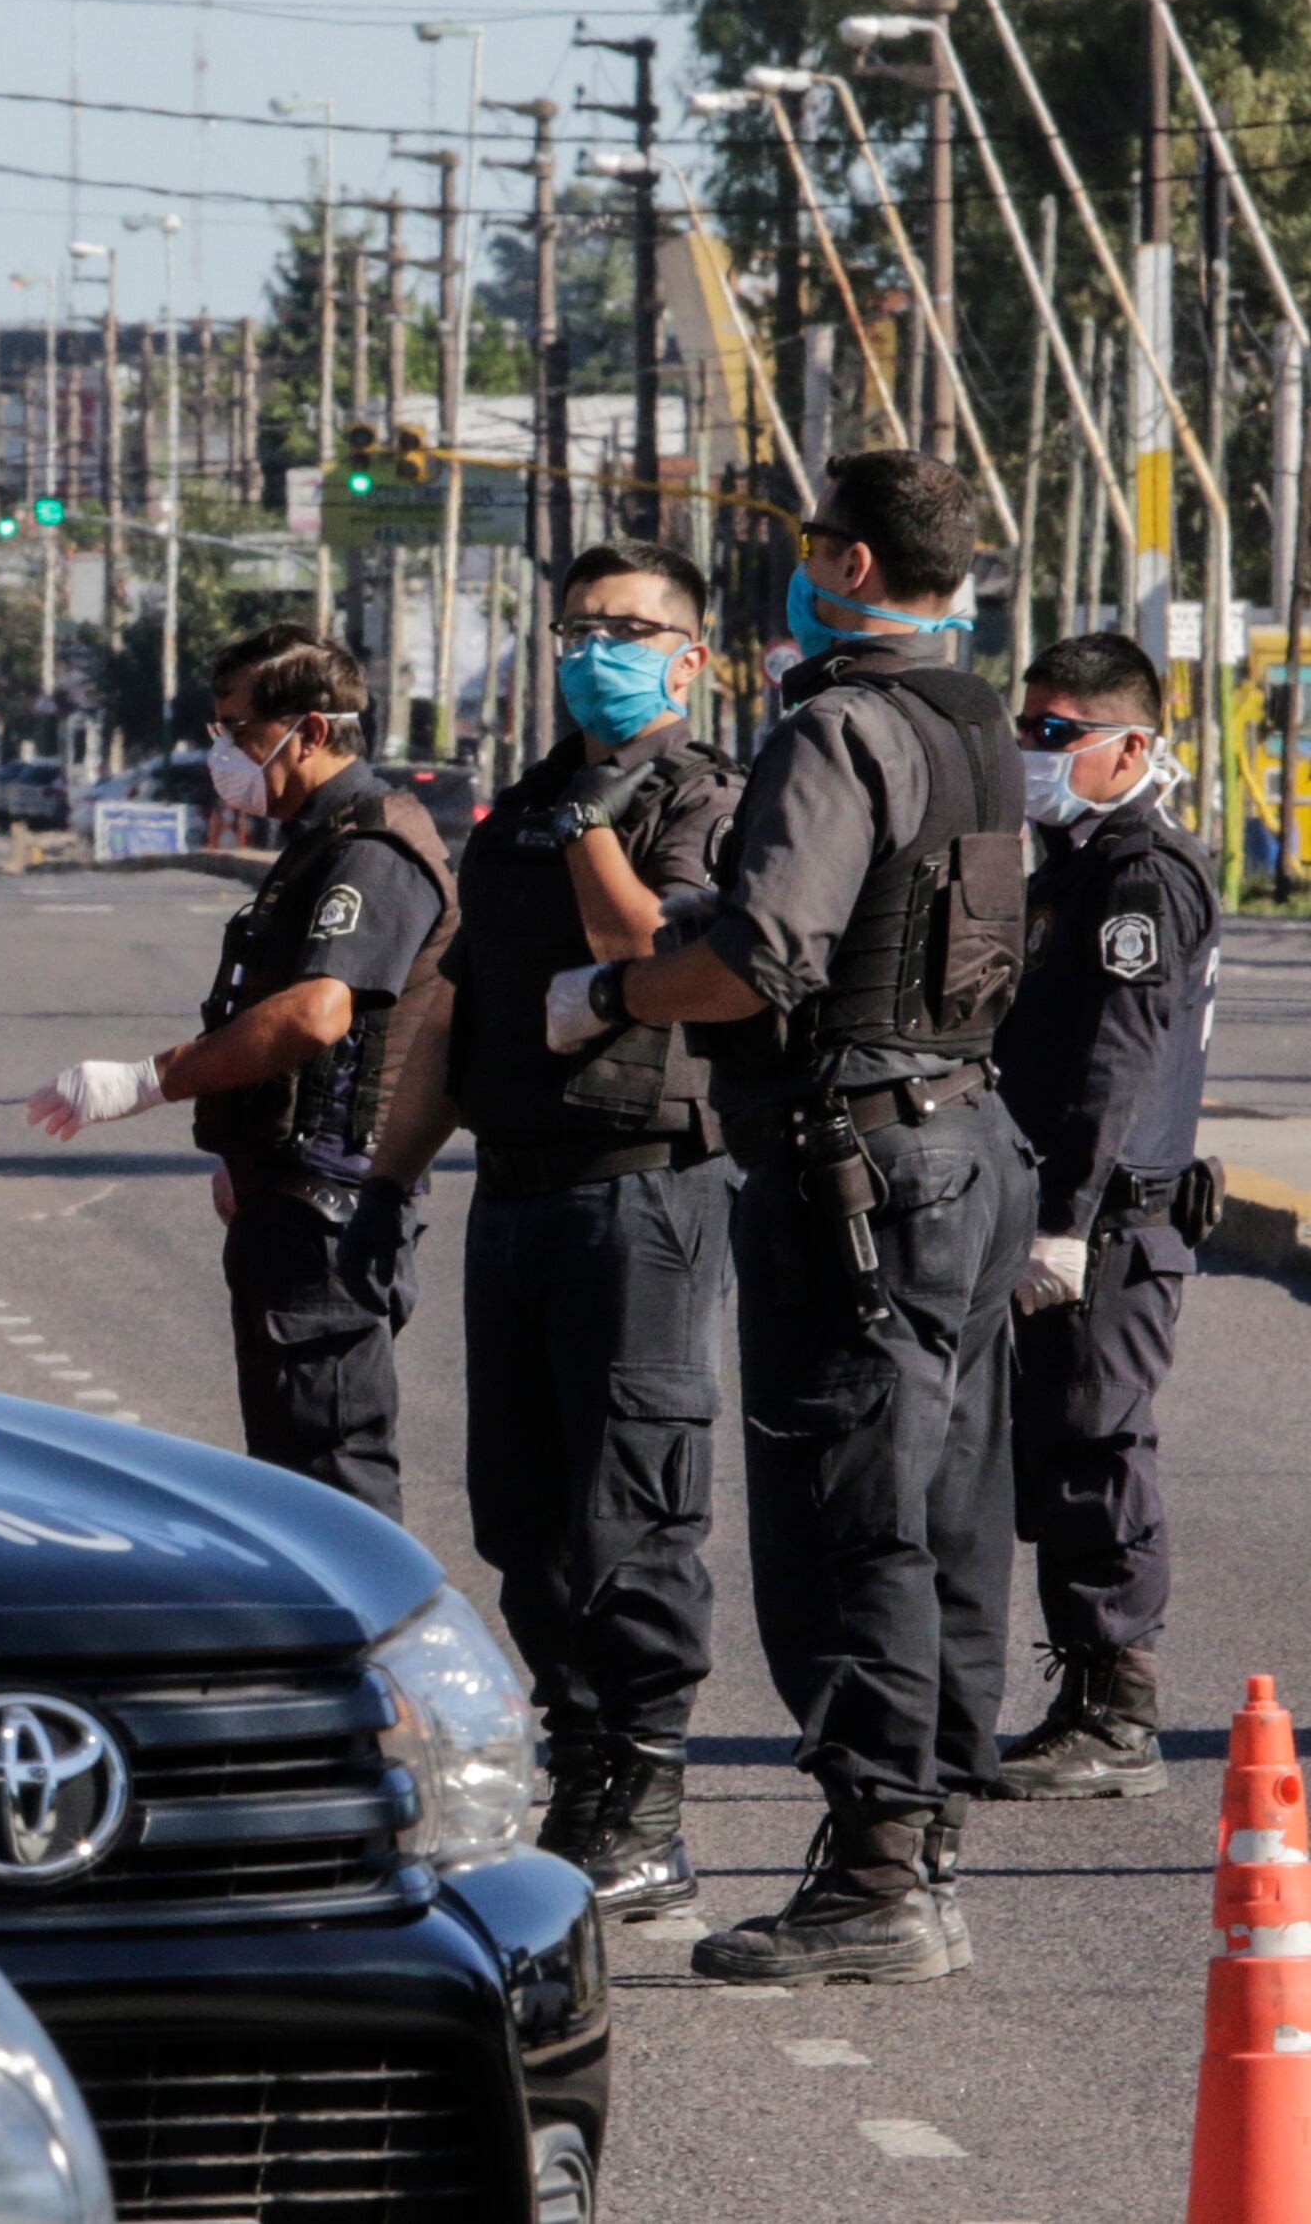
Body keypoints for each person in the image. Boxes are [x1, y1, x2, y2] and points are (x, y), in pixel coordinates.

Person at [544, 449, 1032, 1985]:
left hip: (859, 1164)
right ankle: (919, 1840)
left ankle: (878, 1868)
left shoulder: (839, 725)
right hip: (963, 1136)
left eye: (820, 543)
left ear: (862, 568)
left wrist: (613, 990)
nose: (804, 564)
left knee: (846, 1517)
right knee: (946, 1509)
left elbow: (762, 963)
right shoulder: (982, 720)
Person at [380, 538, 745, 1919]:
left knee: (633, 1506)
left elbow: (651, 944)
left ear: (688, 657)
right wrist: (386, 1178)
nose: (597, 648)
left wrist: (598, 813)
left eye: (629, 629)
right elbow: (459, 1006)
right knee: (522, 1510)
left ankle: (647, 1792)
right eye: (580, 626)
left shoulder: (710, 795)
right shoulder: (519, 807)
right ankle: (583, 1755)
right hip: (521, 1185)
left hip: (642, 1184)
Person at [28, 625, 455, 1521]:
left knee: (332, 1482)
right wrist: (246, 1148)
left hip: (332, 1211)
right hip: (291, 1195)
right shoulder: (318, 837)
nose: (222, 751)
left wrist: (146, 1081)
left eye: (238, 729)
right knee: (289, 1473)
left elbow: (317, 1012)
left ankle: (376, 1657)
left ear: (309, 730)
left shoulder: (370, 846)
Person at [991, 632, 1221, 1800]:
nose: (1031, 749)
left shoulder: (1137, 873)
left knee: (1097, 1448)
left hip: (1116, 1218)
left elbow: (1115, 1062)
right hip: (1076, 1206)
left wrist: (1063, 1220)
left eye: (1054, 732)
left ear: (1130, 744)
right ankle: (1080, 1691)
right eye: (1024, 726)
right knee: (1057, 1446)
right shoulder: (1070, 864)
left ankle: (1116, 1714)